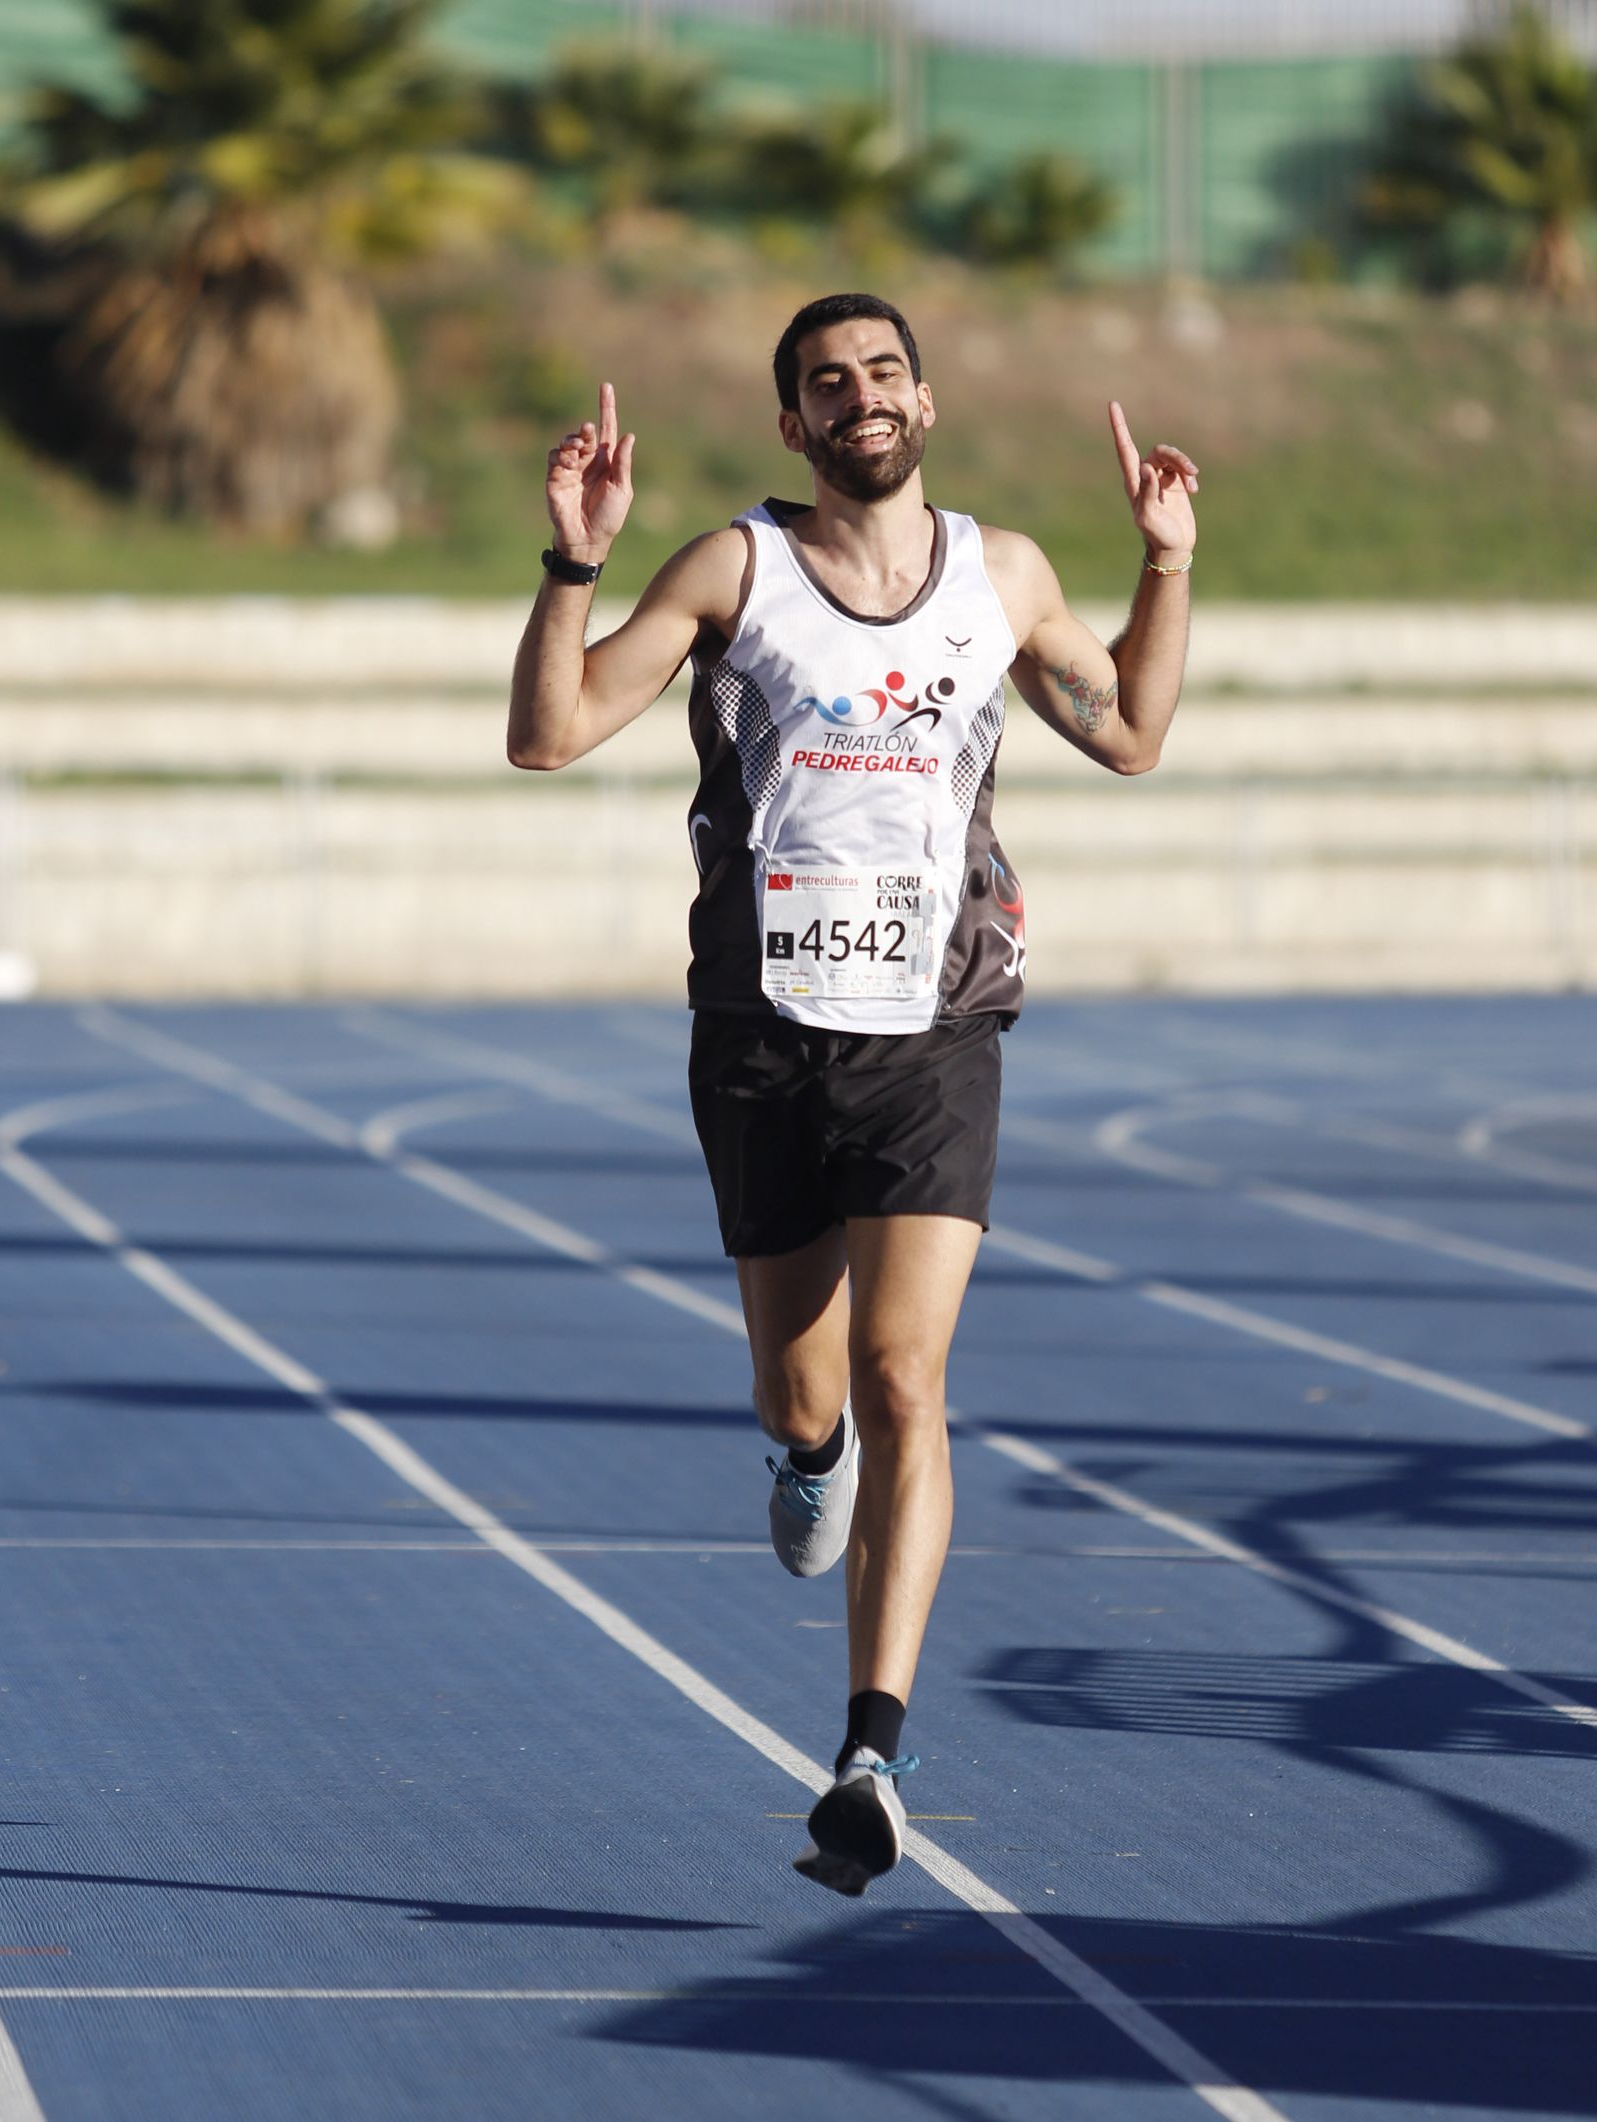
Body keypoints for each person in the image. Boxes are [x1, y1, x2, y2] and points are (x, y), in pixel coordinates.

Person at [507, 291, 1197, 1896]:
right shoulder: (733, 571)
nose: (862, 399)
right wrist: (575, 555)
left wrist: (1163, 561)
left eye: (885, 373)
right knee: (806, 1398)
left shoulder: (1002, 577)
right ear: (794, 426)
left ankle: (870, 1749)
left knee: (907, 1378)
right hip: (760, 1028)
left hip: (936, 1026)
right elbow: (549, 735)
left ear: (925, 403)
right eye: (830, 384)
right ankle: (801, 1455)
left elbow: (1135, 734)